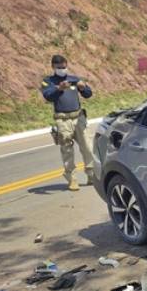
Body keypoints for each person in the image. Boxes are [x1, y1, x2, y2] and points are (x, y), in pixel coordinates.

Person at [40, 55, 95, 191]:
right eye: (59, 67)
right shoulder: (48, 81)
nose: (62, 69)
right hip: (63, 119)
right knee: (67, 150)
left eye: (64, 67)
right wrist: (59, 88)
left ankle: (91, 174)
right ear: (53, 67)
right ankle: (72, 179)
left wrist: (83, 87)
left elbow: (88, 94)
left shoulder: (74, 79)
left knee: (88, 147)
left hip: (79, 117)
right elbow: (47, 95)